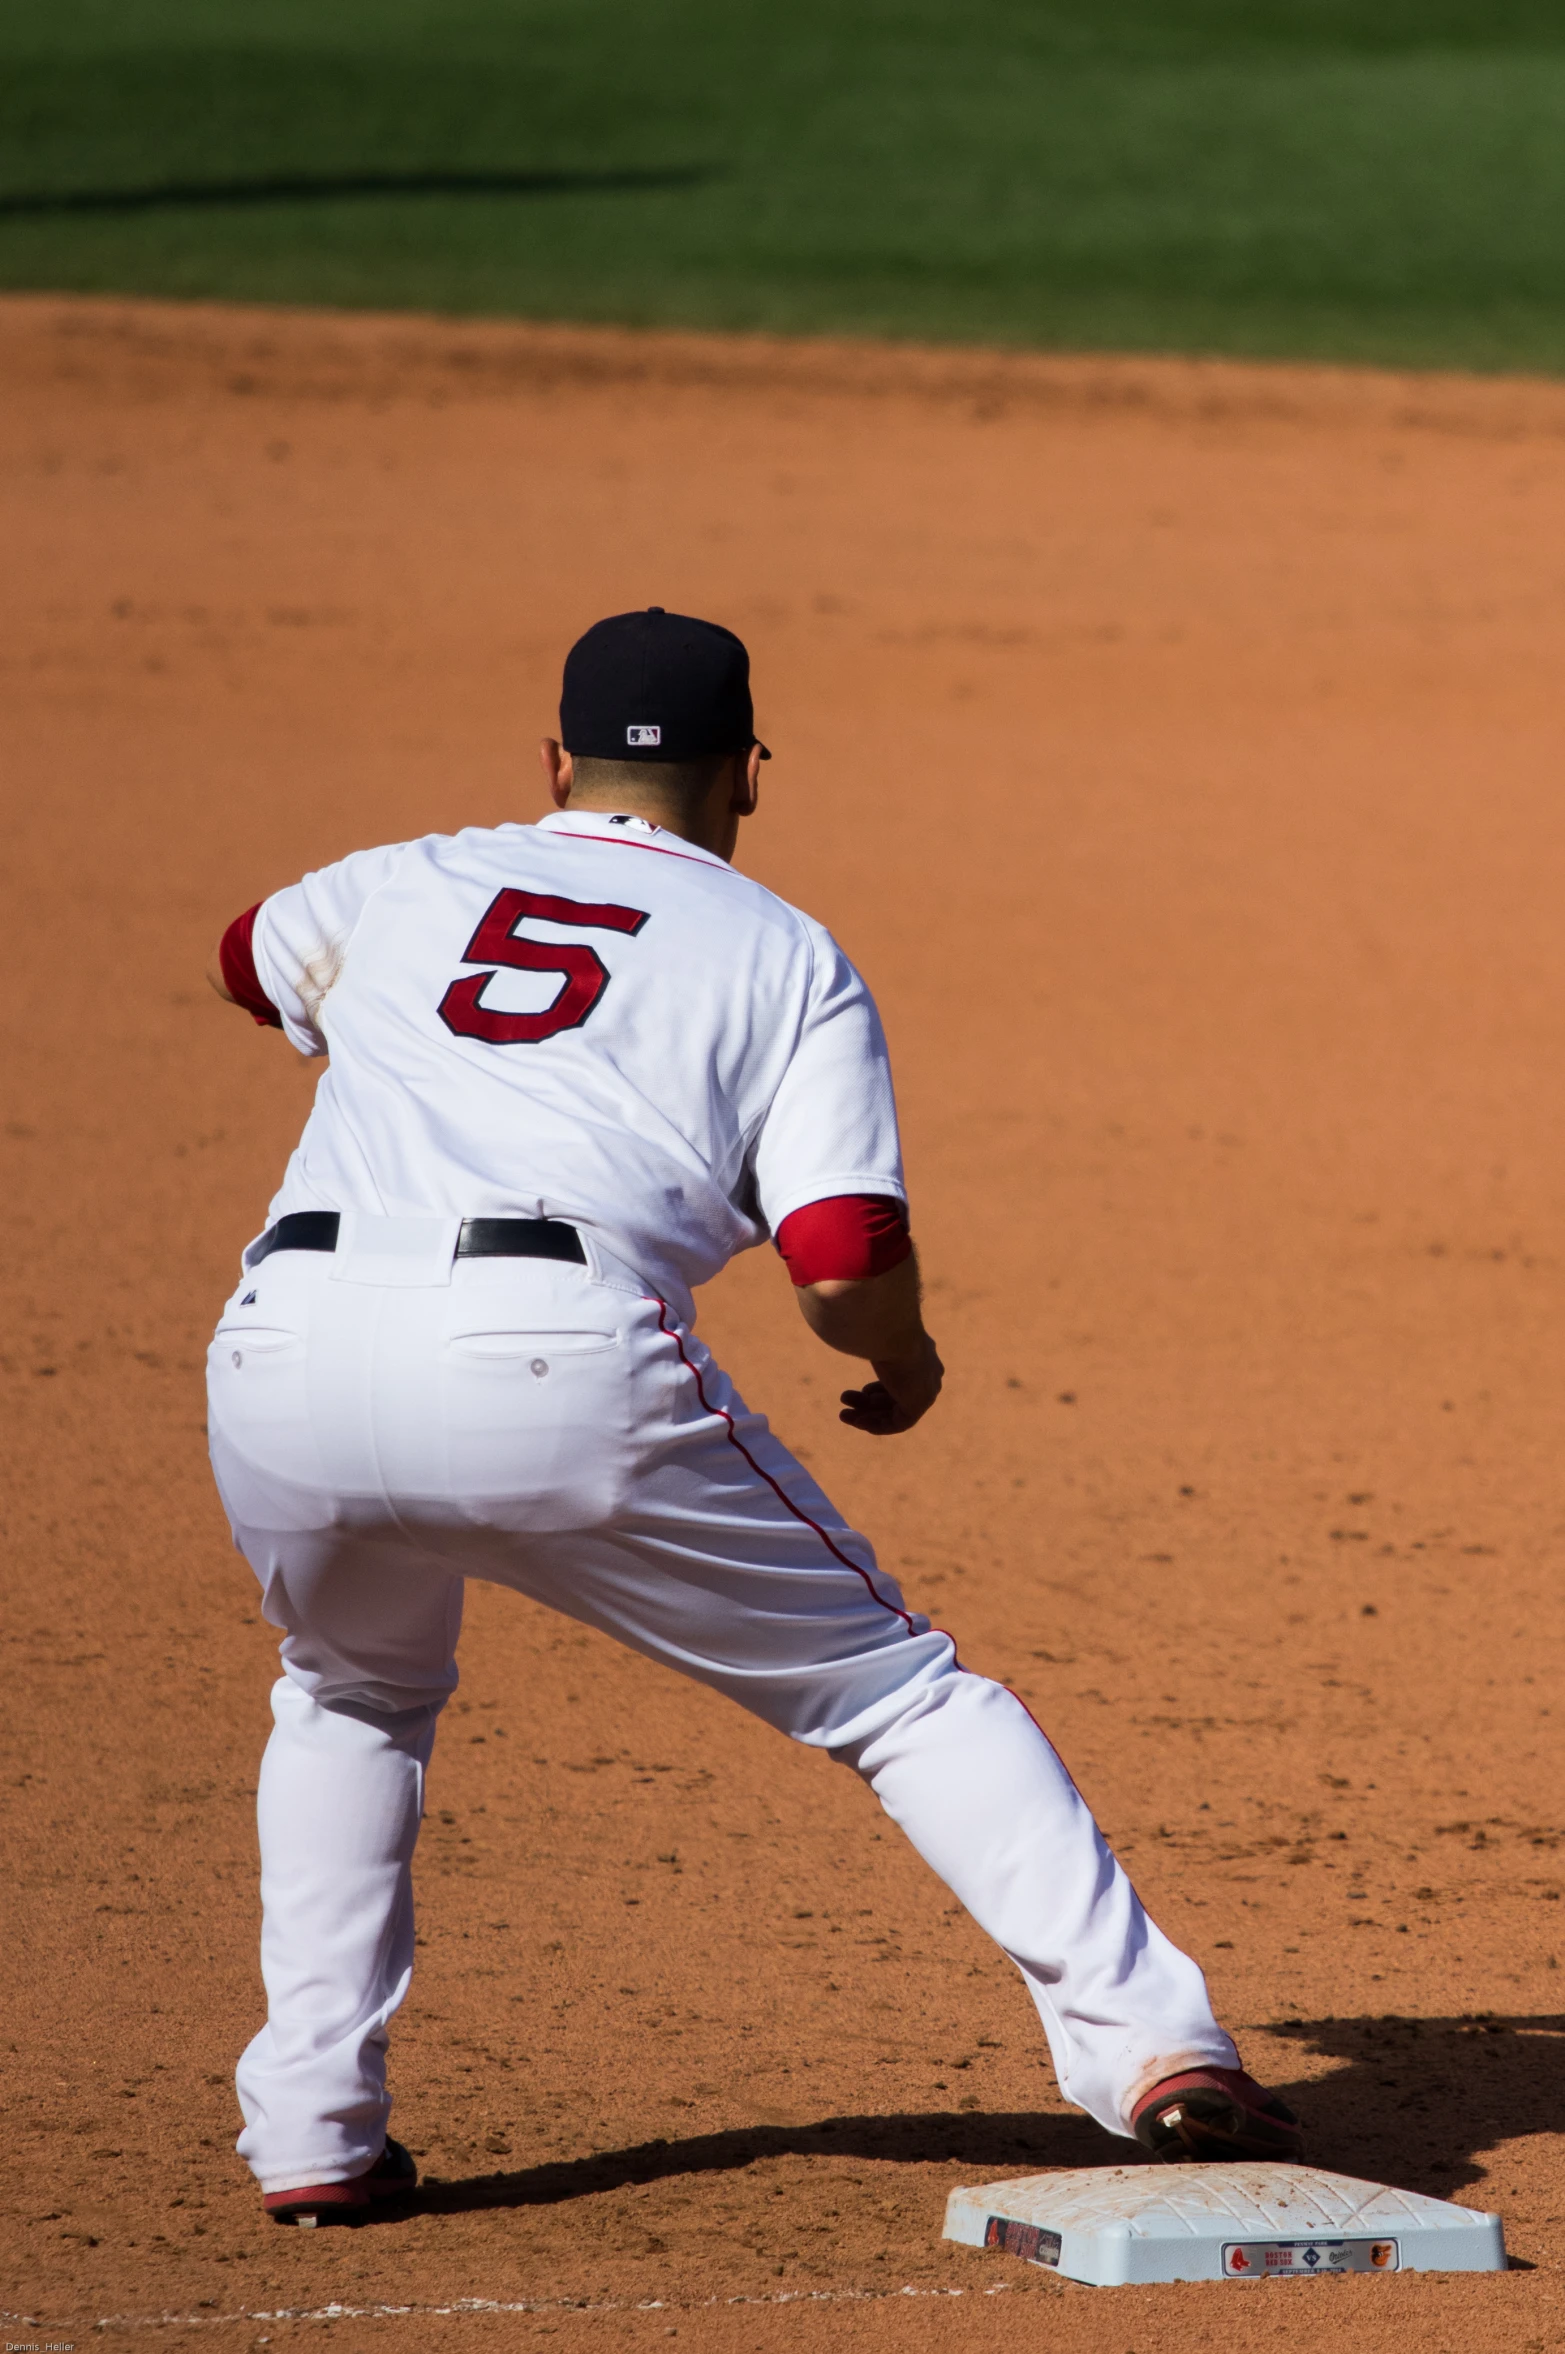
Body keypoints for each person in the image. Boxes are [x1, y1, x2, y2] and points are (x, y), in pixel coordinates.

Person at [205, 606, 1302, 2226]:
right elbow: (843, 1258)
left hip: (281, 1348)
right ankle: (1152, 2042)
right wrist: (907, 1365)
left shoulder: (405, 874)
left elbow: (246, 955)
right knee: (900, 1693)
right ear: (746, 778)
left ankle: (308, 2129)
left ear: (553, 760)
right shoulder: (783, 950)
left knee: (352, 1692)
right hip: (548, 1364)